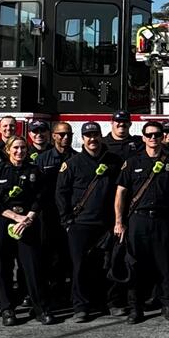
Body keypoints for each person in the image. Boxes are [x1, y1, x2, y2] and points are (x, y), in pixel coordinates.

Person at [116, 123, 169, 322]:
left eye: (157, 135)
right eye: (149, 135)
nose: (153, 138)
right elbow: (120, 193)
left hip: (163, 220)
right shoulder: (132, 162)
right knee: (135, 266)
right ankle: (135, 309)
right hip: (138, 220)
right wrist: (119, 221)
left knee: (165, 265)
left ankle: (167, 305)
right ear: (144, 137)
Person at [0, 133, 53, 325]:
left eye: (23, 147)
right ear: (8, 150)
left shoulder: (35, 171)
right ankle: (8, 309)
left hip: (28, 222)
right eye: (15, 148)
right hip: (3, 221)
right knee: (3, 267)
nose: (19, 151)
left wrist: (28, 218)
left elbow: (41, 198)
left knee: (32, 267)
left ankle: (41, 308)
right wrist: (16, 218)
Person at [57, 123, 119, 322]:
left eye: (95, 135)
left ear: (101, 136)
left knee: (109, 265)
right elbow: (61, 193)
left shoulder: (114, 161)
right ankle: (80, 306)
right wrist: (67, 220)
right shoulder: (73, 163)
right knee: (80, 267)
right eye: (88, 135)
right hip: (80, 224)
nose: (92, 139)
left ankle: (110, 302)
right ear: (82, 138)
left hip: (107, 223)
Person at [31, 120, 73, 314]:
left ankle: (63, 294)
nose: (65, 138)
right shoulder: (42, 160)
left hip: (70, 215)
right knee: (45, 257)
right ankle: (44, 296)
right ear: (54, 136)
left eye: (69, 135)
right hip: (46, 215)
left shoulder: (76, 158)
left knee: (66, 257)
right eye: (62, 134)